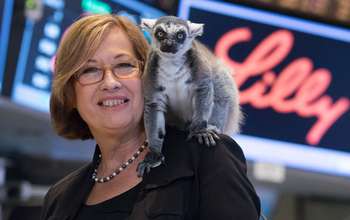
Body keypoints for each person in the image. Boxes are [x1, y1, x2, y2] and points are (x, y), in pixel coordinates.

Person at [41, 13, 261, 220]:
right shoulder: (57, 200)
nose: (110, 83)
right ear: (69, 94)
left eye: (125, 65)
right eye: (89, 70)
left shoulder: (208, 157)